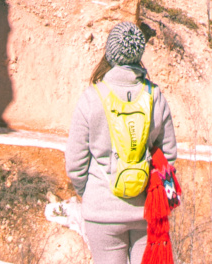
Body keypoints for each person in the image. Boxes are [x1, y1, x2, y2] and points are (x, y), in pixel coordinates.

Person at [65, 21, 179, 264]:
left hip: (101, 212)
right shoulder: (155, 96)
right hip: (146, 211)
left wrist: (91, 193)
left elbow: (75, 164)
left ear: (110, 53)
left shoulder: (91, 98)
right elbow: (168, 154)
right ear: (139, 55)